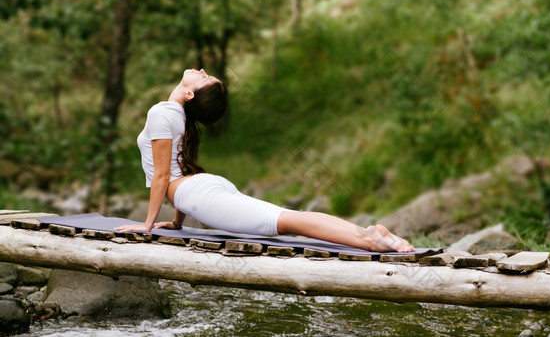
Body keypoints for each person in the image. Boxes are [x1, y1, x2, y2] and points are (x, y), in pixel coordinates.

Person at [114, 68, 415, 253]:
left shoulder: (162, 112)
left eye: (204, 77)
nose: (202, 70)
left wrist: (147, 225)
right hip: (199, 190)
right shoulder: (174, 115)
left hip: (198, 194)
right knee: (287, 217)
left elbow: (163, 176)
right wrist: (178, 222)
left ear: (190, 94)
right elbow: (178, 168)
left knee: (287, 221)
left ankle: (370, 239)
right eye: (206, 75)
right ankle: (367, 233)